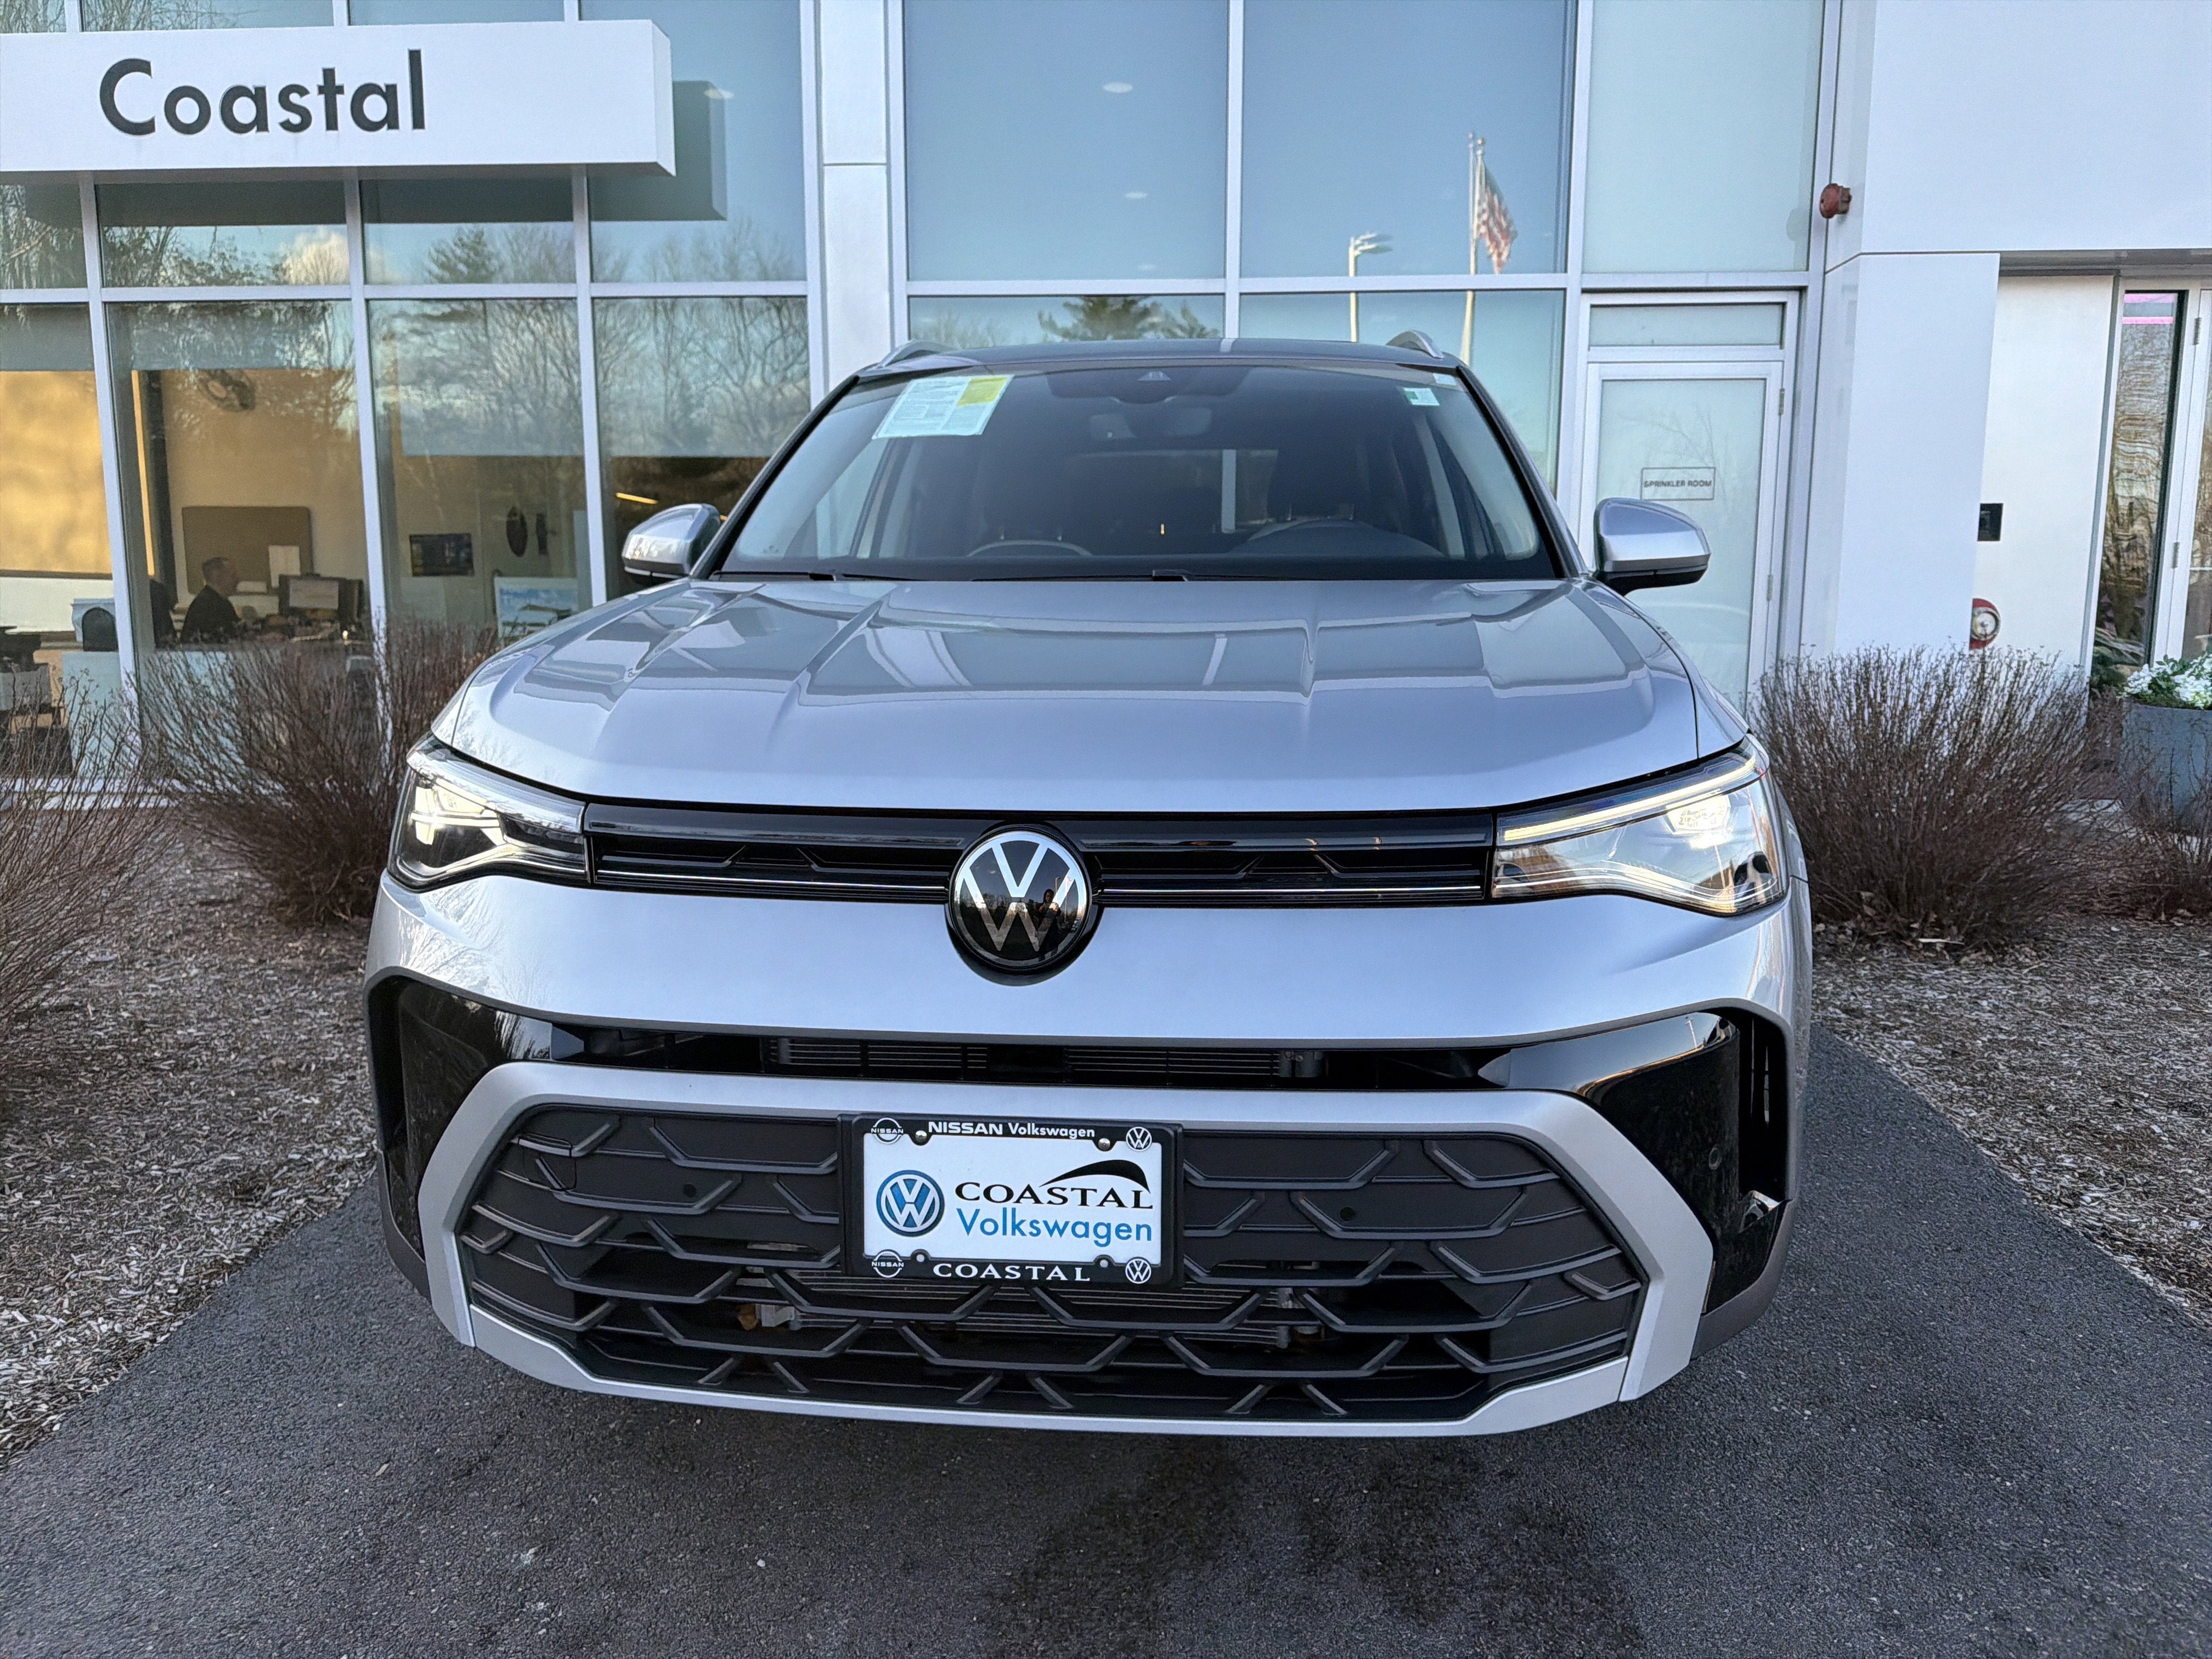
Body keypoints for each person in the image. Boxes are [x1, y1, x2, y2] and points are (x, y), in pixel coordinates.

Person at [181, 557, 241, 643]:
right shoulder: (208, 606)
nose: (238, 580)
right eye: (232, 576)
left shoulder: (218, 602)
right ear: (218, 577)